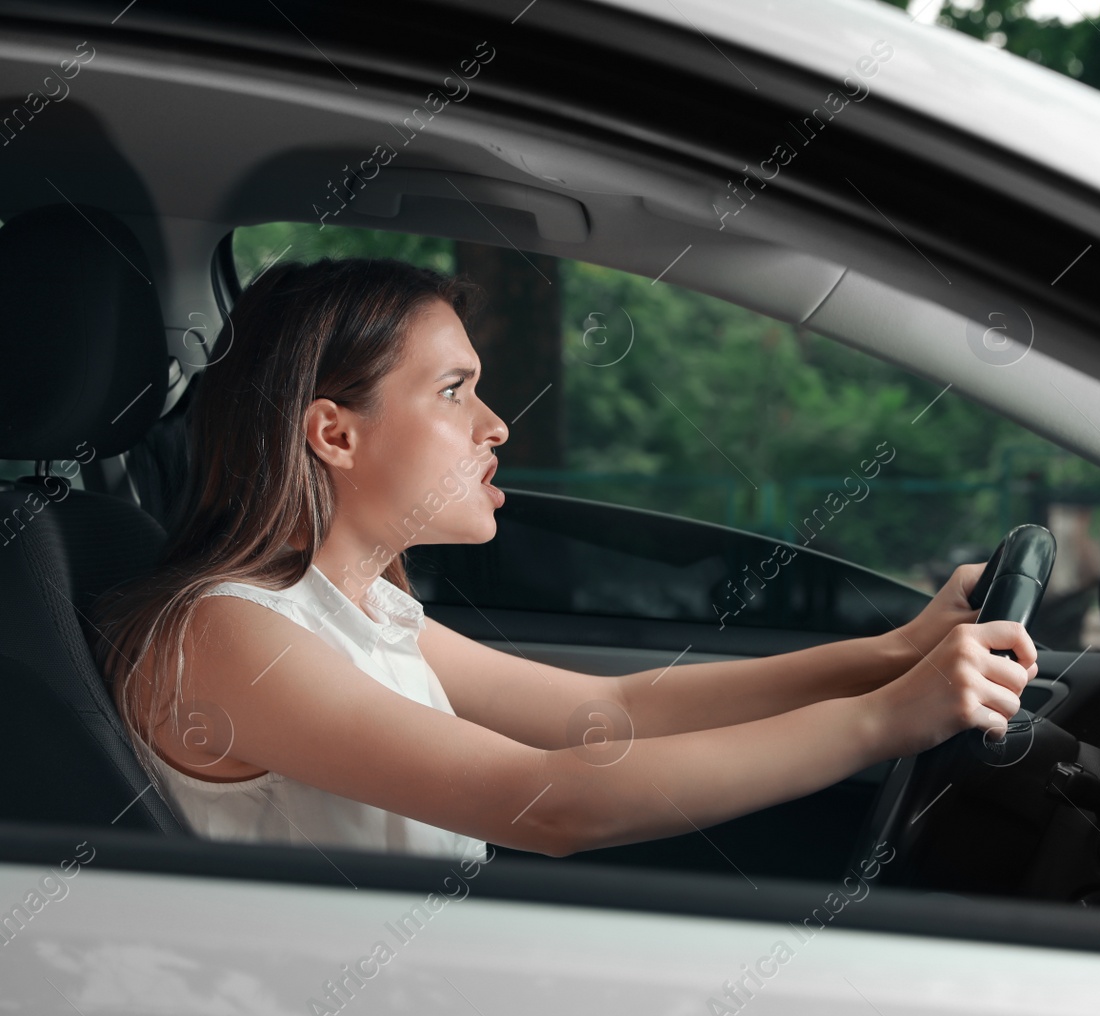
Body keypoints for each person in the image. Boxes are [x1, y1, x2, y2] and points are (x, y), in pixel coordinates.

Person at [90, 257, 1038, 861]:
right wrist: (880, 723)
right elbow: (546, 803)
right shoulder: (225, 635)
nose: (496, 425)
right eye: (455, 391)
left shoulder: (362, 607)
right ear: (334, 434)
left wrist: (897, 653)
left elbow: (610, 714)